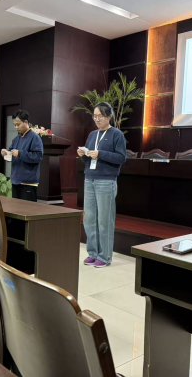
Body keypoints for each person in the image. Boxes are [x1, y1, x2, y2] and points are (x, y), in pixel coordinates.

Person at [78, 103, 126, 268]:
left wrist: (101, 154)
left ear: (109, 117)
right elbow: (89, 159)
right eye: (95, 116)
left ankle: (104, 256)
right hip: (89, 179)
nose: (97, 119)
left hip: (106, 181)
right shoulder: (93, 135)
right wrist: (83, 154)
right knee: (89, 219)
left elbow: (121, 158)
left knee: (104, 220)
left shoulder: (116, 134)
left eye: (100, 116)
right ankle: (93, 253)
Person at [1, 110, 43, 202]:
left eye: (18, 124)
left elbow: (38, 156)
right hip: (16, 180)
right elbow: (11, 153)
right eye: (14, 125)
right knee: (16, 209)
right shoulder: (16, 139)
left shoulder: (35, 137)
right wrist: (6, 153)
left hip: (28, 182)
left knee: (27, 209)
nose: (16, 127)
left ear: (26, 122)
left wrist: (20, 153)